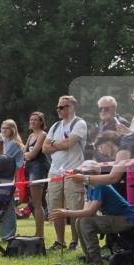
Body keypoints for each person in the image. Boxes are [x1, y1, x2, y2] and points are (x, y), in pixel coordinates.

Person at [52, 161, 134, 265]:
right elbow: (87, 212)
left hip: (128, 219)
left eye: (84, 173)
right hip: (120, 218)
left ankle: (95, 261)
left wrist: (66, 213)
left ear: (93, 174)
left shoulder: (99, 185)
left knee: (86, 223)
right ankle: (90, 258)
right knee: (80, 221)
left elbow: (90, 211)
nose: (81, 175)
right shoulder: (90, 187)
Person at [43, 95, 88, 251]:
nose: (59, 110)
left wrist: (53, 143)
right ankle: (60, 241)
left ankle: (75, 241)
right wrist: (59, 144)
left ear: (72, 107)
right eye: (58, 107)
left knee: (75, 207)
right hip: (55, 171)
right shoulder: (55, 126)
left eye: (62, 107)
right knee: (55, 207)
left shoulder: (79, 123)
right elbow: (44, 148)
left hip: (73, 171)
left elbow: (69, 144)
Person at [23, 112, 50, 239]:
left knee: (37, 203)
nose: (32, 122)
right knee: (33, 202)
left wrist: (27, 155)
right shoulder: (30, 136)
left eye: (35, 120)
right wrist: (26, 155)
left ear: (41, 122)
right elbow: (25, 154)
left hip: (38, 169)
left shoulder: (43, 135)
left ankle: (40, 234)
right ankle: (37, 233)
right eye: (31, 119)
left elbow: (32, 154)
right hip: (29, 168)